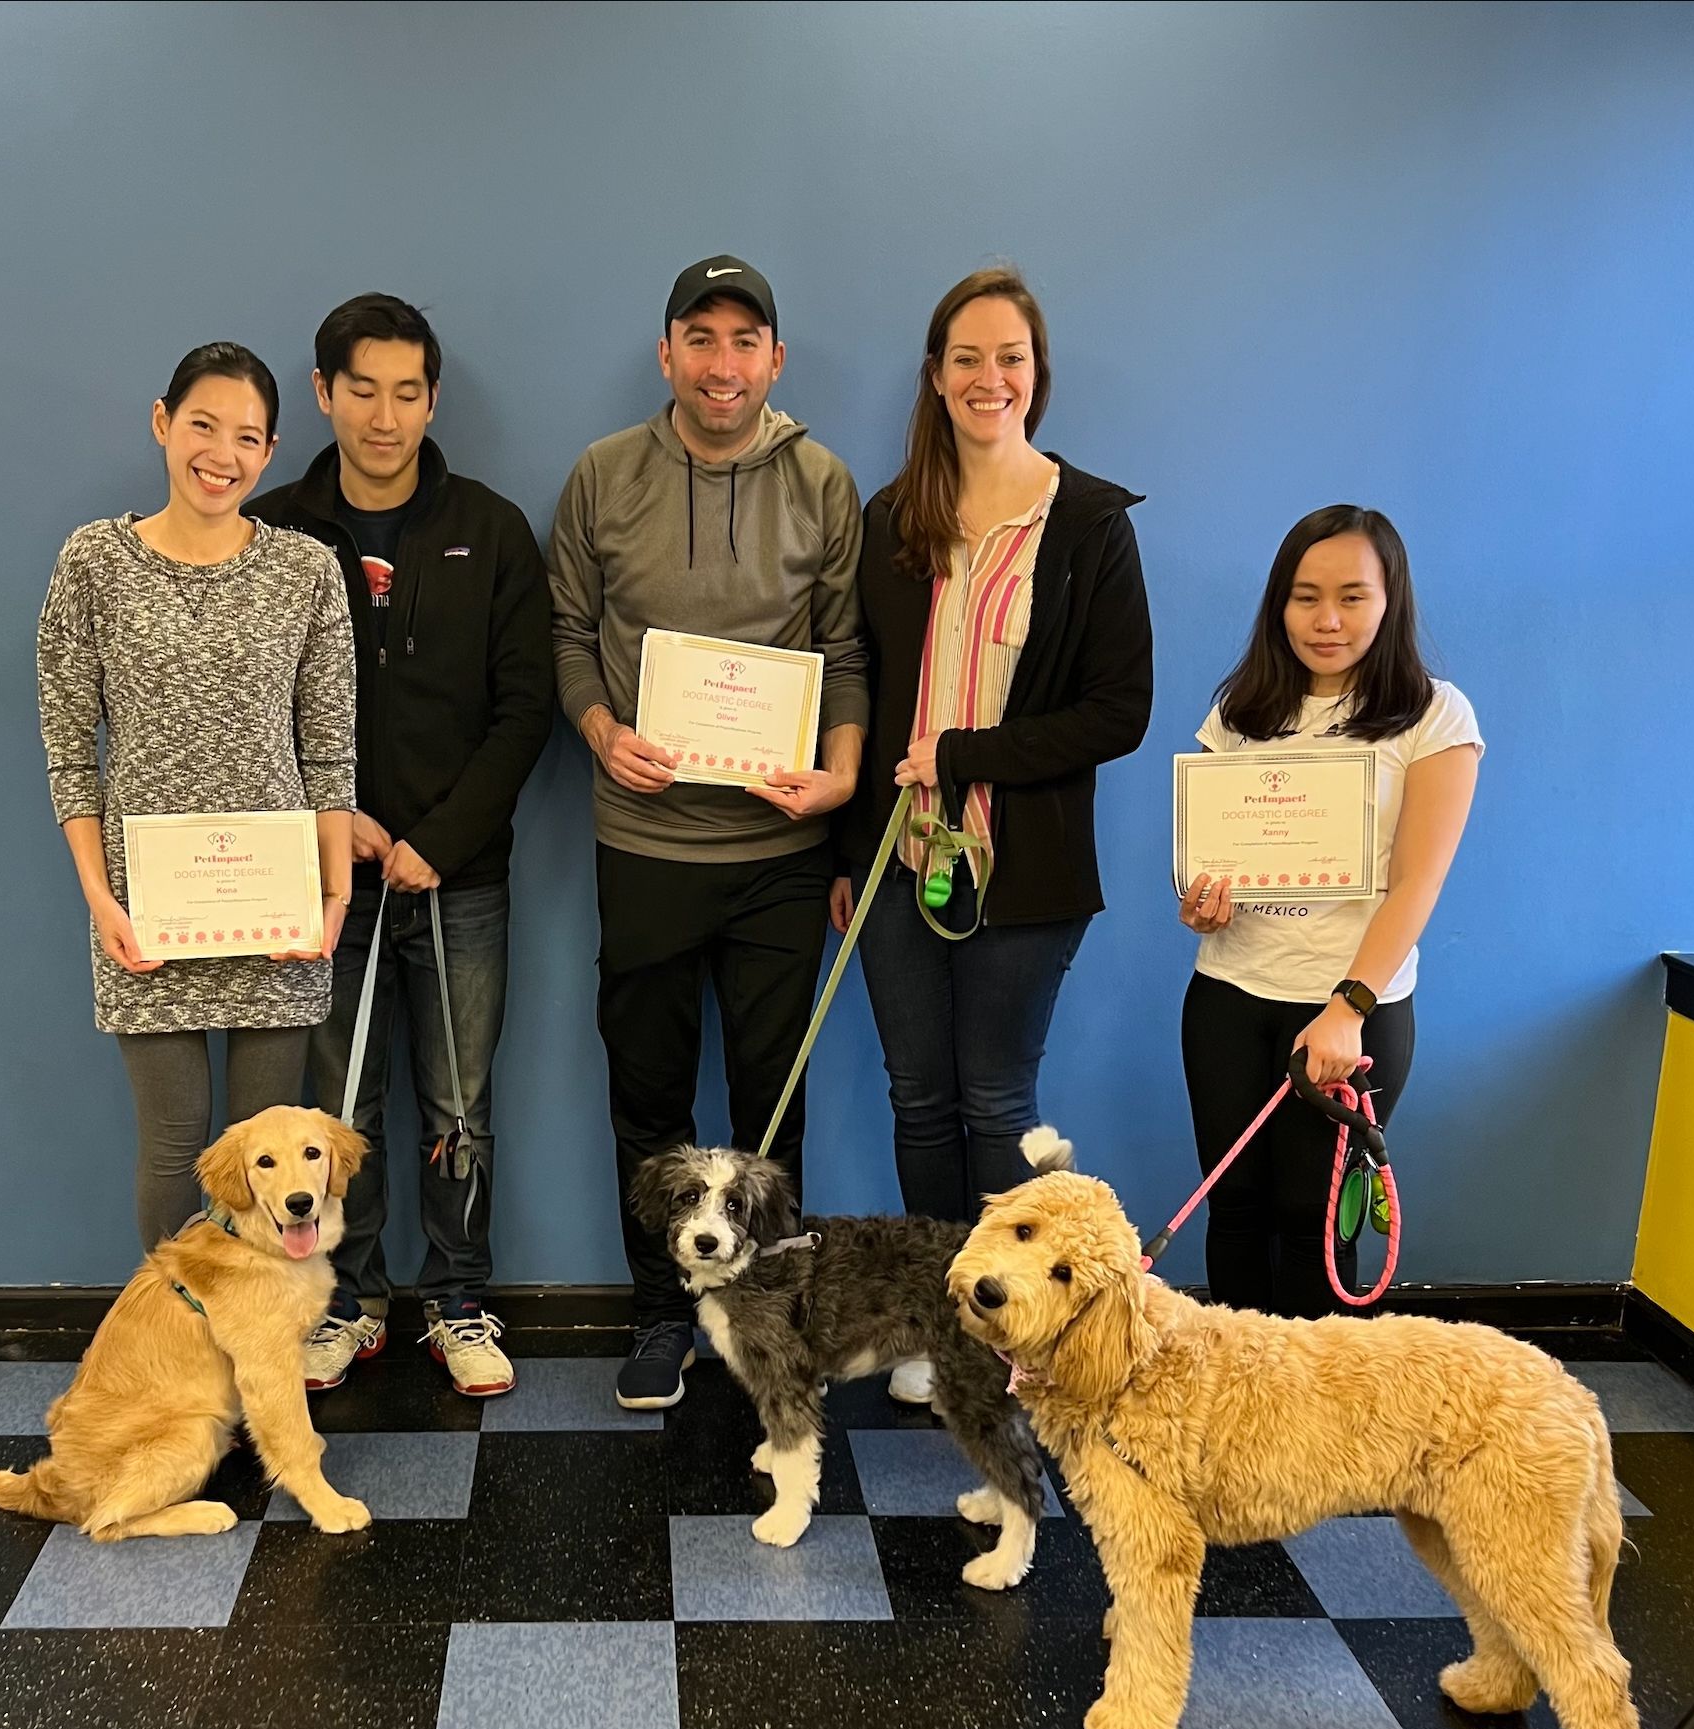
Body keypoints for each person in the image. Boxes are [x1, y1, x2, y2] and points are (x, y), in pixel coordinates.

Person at [550, 256, 869, 1407]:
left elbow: (844, 648)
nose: (721, 362)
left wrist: (838, 777)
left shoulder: (822, 480)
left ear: (773, 360)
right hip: (642, 844)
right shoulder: (603, 475)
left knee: (771, 1104)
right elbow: (570, 629)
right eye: (701, 337)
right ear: (666, 353)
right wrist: (596, 726)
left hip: (778, 859)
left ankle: (778, 1315)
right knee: (647, 1098)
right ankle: (657, 1317)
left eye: (745, 341)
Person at [844, 267, 1152, 1401]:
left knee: (994, 1103)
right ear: (935, 377)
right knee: (916, 1099)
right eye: (966, 358)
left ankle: (1011, 1338)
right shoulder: (891, 518)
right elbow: (864, 692)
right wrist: (846, 864)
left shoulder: (1088, 525)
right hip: (897, 864)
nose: (989, 377)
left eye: (1009, 357)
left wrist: (965, 755)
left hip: (1025, 873)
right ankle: (939, 1325)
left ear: (1037, 374)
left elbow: (1118, 712)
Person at [249, 295, 555, 1398]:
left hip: (456, 876)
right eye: (361, 390)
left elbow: (527, 705)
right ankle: (347, 1297)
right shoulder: (273, 529)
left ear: (433, 399)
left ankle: (459, 1298)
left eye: (408, 392)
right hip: (323, 876)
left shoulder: (491, 525)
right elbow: (258, 709)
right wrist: (337, 823)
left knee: (458, 1101)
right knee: (339, 1111)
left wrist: (442, 835)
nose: (385, 417)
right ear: (324, 393)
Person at [38, 343, 355, 1253]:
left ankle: (262, 1345)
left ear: (271, 451)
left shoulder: (306, 571)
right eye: (203, 425)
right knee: (178, 1148)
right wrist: (102, 900)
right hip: (148, 912)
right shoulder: (94, 562)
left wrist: (332, 894)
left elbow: (330, 750)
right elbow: (69, 752)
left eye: (247, 437)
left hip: (278, 908)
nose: (222, 452)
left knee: (277, 1158)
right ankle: (183, 1350)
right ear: (162, 423)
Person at [1179, 504, 1482, 1316]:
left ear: (1391, 602)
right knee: (1234, 1213)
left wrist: (1349, 1007)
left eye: (1352, 596)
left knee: (1314, 1224)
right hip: (1229, 998)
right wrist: (1202, 905)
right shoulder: (1241, 712)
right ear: (1278, 604)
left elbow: (1418, 881)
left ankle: (1322, 1433)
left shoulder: (1434, 716)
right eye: (1305, 596)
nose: (1326, 619)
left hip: (1351, 1010)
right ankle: (1239, 1416)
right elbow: (1212, 867)